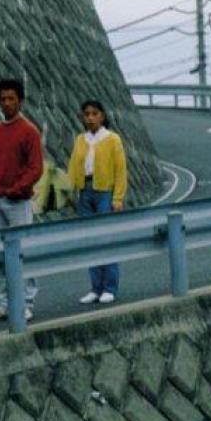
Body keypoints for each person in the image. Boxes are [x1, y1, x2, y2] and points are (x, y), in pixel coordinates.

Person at [0, 78, 44, 322]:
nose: (7, 103)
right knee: (1, 255)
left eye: (11, 98)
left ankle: (26, 303)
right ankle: (6, 304)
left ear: (20, 101)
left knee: (22, 253)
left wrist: (17, 189)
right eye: (3, 99)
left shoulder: (30, 131)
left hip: (18, 202)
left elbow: (36, 168)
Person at [67, 100, 128, 304]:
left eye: (95, 113)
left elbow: (120, 170)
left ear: (102, 116)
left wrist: (117, 198)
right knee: (90, 240)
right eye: (87, 114)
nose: (90, 117)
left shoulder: (112, 139)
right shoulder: (80, 139)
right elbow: (73, 167)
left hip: (104, 192)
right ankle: (95, 288)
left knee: (106, 238)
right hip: (85, 191)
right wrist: (70, 192)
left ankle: (109, 287)